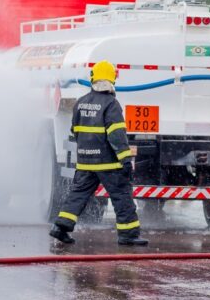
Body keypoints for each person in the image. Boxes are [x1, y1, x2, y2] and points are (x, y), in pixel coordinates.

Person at [49, 60, 148, 246]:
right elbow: (117, 135)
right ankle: (128, 235)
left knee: (77, 194)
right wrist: (125, 160)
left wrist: (87, 150)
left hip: (85, 162)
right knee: (122, 196)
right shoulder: (111, 104)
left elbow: (75, 131)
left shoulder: (81, 102)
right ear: (112, 80)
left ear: (93, 79)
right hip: (108, 163)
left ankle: (60, 228)